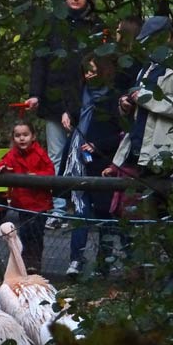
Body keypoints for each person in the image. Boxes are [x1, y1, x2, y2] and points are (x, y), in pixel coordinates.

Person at [104, 15, 173, 283]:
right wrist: (127, 104)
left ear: (170, 37)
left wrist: (144, 98)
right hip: (145, 156)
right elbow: (140, 110)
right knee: (158, 223)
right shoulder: (148, 67)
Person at [25, 0, 103, 227]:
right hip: (54, 100)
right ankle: (59, 208)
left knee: (86, 156)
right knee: (56, 155)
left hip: (87, 102)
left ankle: (85, 208)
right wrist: (35, 93)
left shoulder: (96, 27)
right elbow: (39, 61)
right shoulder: (52, 24)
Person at [60, 54, 125, 279]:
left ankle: (103, 262)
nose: (88, 75)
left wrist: (98, 146)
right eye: (86, 71)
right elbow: (75, 112)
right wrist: (68, 114)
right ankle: (76, 260)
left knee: (104, 213)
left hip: (101, 163)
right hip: (78, 162)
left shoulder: (113, 99)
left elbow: (122, 135)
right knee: (80, 211)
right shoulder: (81, 95)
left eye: (93, 71)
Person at [0, 121, 55, 274]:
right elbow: (1, 163)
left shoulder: (40, 153)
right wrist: (2, 168)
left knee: (36, 233)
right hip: (22, 202)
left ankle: (35, 262)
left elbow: (50, 171)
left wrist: (37, 177)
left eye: (25, 135)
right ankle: (24, 262)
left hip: (39, 202)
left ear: (33, 136)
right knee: (24, 232)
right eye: (18, 136)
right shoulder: (13, 154)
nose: (22, 139)